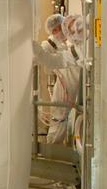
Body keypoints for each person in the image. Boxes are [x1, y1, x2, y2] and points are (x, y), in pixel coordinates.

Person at [34, 14, 82, 146]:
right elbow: (47, 58)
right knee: (59, 116)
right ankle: (52, 147)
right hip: (65, 85)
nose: (59, 31)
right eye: (55, 30)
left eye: (60, 28)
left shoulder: (73, 42)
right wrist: (36, 53)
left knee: (67, 118)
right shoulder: (50, 44)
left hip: (76, 85)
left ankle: (58, 146)